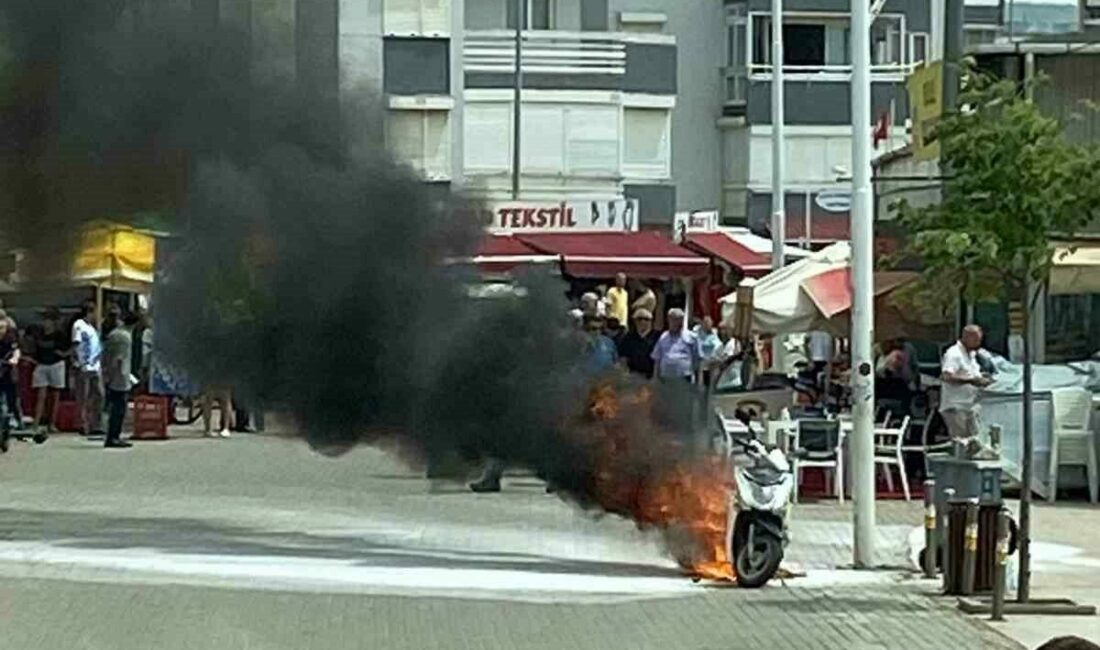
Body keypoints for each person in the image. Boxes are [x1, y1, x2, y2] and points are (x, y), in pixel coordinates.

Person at [940, 325, 993, 440]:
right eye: (976, 340)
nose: (979, 343)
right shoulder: (954, 354)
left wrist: (982, 377)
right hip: (956, 406)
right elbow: (947, 376)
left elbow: (968, 373)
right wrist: (972, 380)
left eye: (980, 340)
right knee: (962, 442)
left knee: (975, 441)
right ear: (966, 337)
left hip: (970, 406)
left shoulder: (971, 354)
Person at [27, 308, 70, 439]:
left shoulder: (60, 335)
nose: (47, 323)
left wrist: (63, 354)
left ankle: (52, 423)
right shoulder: (39, 333)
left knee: (55, 395)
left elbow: (69, 349)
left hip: (56, 364)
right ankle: (36, 423)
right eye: (45, 320)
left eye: (49, 320)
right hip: (42, 364)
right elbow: (34, 348)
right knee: (41, 395)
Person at [102, 312, 137, 449]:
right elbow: (118, 359)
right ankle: (113, 437)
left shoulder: (114, 334)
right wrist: (112, 375)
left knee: (114, 407)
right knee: (119, 409)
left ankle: (113, 436)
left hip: (114, 375)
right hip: (120, 377)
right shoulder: (124, 337)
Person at [650, 308, 699, 382]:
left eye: (678, 319)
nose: (675, 323)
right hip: (666, 378)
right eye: (673, 319)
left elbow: (697, 358)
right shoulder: (663, 337)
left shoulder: (691, 336)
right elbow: (657, 358)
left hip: (685, 377)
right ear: (668, 320)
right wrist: (655, 377)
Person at [617, 308, 660, 379]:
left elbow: (659, 360)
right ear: (635, 321)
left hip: (651, 377)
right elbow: (623, 358)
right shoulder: (628, 337)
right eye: (639, 319)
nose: (643, 322)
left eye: (646, 319)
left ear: (651, 321)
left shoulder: (658, 337)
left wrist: (655, 378)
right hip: (632, 377)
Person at [0, 311, 20, 451]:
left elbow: (16, 350)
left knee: (11, 398)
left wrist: (14, 360)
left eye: (2, 328)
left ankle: (15, 419)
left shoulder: (9, 338)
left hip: (6, 371)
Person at [694, 316, 722, 386]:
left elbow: (718, 345)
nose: (707, 325)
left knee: (711, 383)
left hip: (713, 362)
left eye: (709, 323)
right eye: (706, 323)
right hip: (701, 362)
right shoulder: (697, 332)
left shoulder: (714, 333)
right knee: (700, 383)